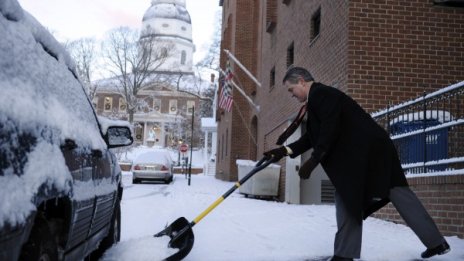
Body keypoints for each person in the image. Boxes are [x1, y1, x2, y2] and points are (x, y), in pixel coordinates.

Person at [263, 67, 450, 261]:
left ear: (301, 81)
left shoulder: (321, 94)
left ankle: (344, 254)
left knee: (350, 195)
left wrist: (314, 160)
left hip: (368, 154)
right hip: (372, 152)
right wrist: (284, 151)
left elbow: (330, 127)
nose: (291, 95)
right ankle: (436, 243)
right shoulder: (318, 98)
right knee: (394, 193)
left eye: (291, 89)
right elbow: (313, 137)